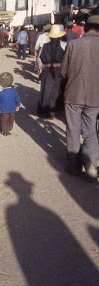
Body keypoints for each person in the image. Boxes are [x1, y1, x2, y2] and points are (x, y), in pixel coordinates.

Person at [61, 15, 99, 180]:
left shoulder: (73, 44)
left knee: (73, 130)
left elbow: (63, 72)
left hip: (73, 94)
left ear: (85, 27)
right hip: (95, 96)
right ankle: (90, 160)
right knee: (91, 131)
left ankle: (74, 166)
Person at [37, 25, 67, 119]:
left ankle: (45, 111)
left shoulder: (45, 46)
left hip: (47, 70)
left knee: (46, 90)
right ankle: (55, 110)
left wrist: (40, 70)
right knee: (57, 90)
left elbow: (39, 59)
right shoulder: (64, 45)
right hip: (59, 70)